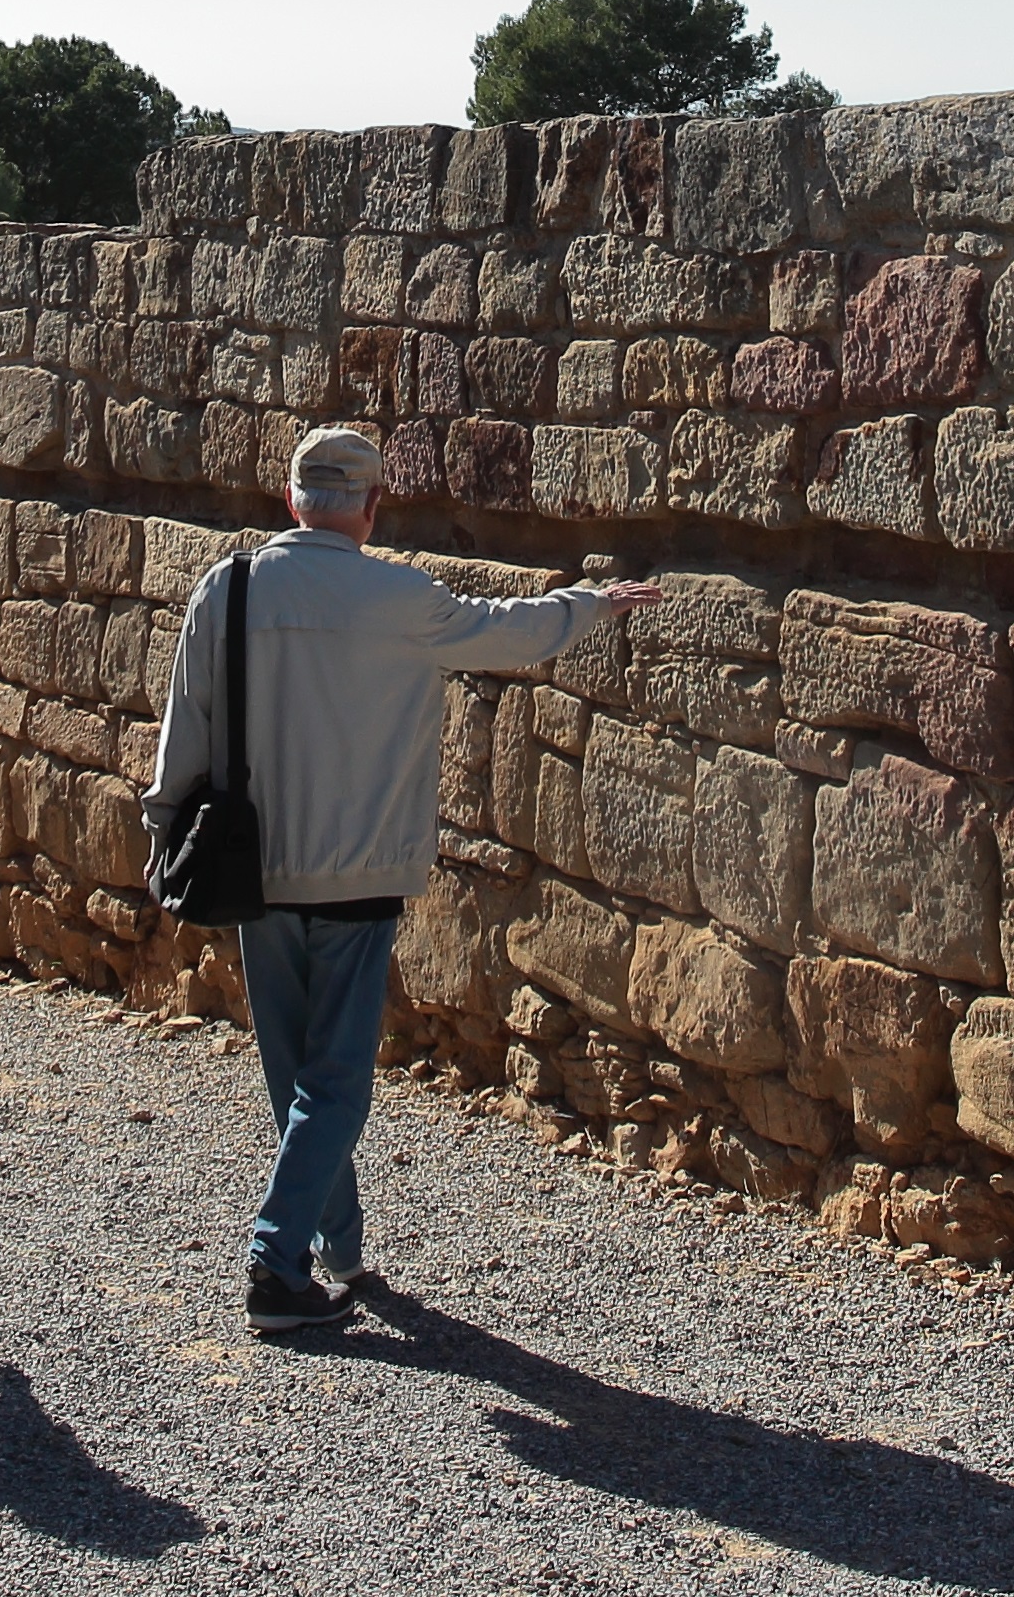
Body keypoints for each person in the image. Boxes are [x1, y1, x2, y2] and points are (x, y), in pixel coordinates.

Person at [148, 425, 660, 1337]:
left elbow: (182, 738)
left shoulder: (222, 591)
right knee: (335, 1080)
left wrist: (163, 837)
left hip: (253, 870)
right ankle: (275, 1260)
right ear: (372, 507)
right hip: (356, 868)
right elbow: (511, 633)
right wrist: (591, 602)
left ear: (291, 497)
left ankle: (334, 1248)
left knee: (294, 1075)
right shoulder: (399, 596)